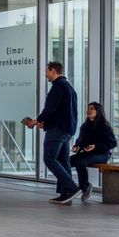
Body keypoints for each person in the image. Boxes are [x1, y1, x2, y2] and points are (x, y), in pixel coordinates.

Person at [23, 61, 80, 204]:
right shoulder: (68, 87)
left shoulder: (58, 86)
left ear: (53, 70)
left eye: (47, 71)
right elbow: (62, 111)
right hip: (66, 129)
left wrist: (37, 120)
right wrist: (46, 122)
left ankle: (71, 188)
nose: (45, 74)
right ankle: (65, 193)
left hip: (58, 130)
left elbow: (51, 108)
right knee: (63, 161)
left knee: (49, 159)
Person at [71, 102, 118, 201]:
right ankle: (66, 190)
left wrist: (95, 147)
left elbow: (112, 143)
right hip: (88, 153)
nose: (89, 110)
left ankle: (85, 187)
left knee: (80, 163)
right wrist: (77, 147)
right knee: (65, 162)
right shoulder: (85, 125)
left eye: (92, 108)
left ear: (98, 111)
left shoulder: (104, 125)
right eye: (88, 108)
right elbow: (81, 140)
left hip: (101, 154)